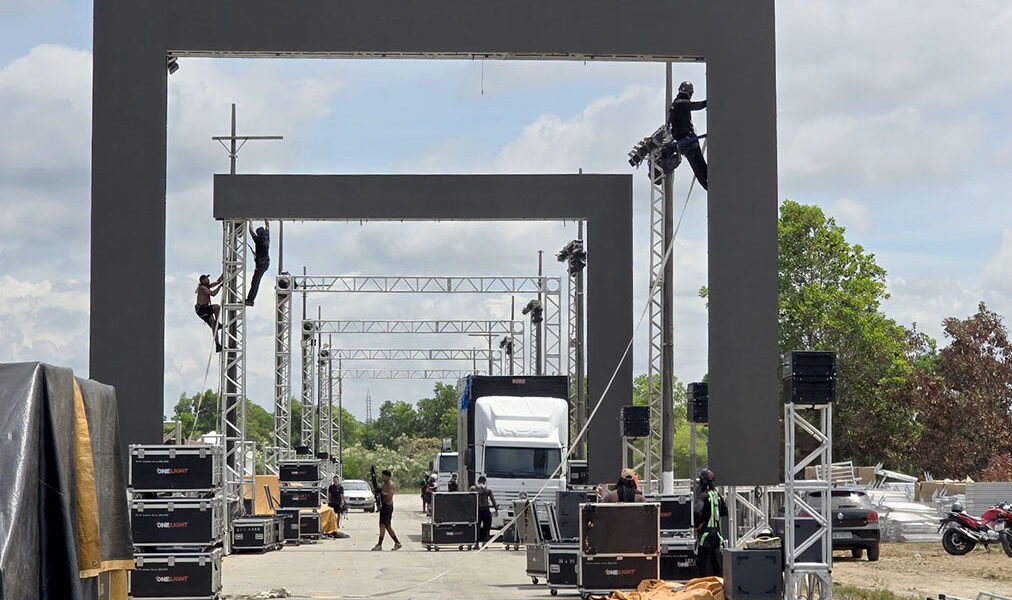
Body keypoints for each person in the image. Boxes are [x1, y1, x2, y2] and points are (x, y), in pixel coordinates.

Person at [668, 81, 708, 190]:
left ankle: (707, 185)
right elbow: (697, 105)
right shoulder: (681, 103)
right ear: (689, 93)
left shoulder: (675, 104)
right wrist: (710, 101)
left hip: (684, 143)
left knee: (699, 170)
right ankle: (709, 185)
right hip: (688, 141)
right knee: (701, 168)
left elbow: (669, 125)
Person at [695, 468, 726, 577]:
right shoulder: (717, 495)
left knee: (704, 563)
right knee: (716, 562)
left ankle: (704, 586)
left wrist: (698, 525)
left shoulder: (703, 496)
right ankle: (717, 586)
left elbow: (697, 511)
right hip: (717, 534)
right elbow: (724, 511)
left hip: (705, 535)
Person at [372, 469, 401, 551]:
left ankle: (380, 544)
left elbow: (389, 497)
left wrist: (381, 492)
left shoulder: (390, 485)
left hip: (387, 507)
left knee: (384, 525)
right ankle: (396, 542)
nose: (382, 477)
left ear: (388, 476)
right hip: (383, 506)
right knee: (385, 526)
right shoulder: (384, 483)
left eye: (384, 476)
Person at [194, 274, 224, 352]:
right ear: (202, 280)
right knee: (216, 307)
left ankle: (217, 345)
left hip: (204, 310)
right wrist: (220, 287)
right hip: (202, 309)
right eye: (207, 279)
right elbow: (213, 294)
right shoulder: (202, 288)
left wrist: (223, 273)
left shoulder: (206, 286)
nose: (208, 280)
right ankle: (218, 323)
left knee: (214, 326)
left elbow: (218, 281)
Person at [245, 220, 270, 307]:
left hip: (261, 265)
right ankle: (250, 300)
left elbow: (251, 231)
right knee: (255, 282)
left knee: (255, 283)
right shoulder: (266, 236)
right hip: (265, 262)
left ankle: (250, 300)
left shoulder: (258, 240)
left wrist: (250, 222)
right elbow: (267, 226)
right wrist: (266, 219)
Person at [470, 475, 498, 544]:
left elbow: (469, 499)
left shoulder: (473, 489)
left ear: (478, 481)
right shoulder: (488, 490)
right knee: (487, 526)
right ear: (485, 482)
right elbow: (493, 500)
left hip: (478, 509)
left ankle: (476, 543)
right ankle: (484, 542)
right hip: (485, 508)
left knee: (477, 526)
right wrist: (496, 510)